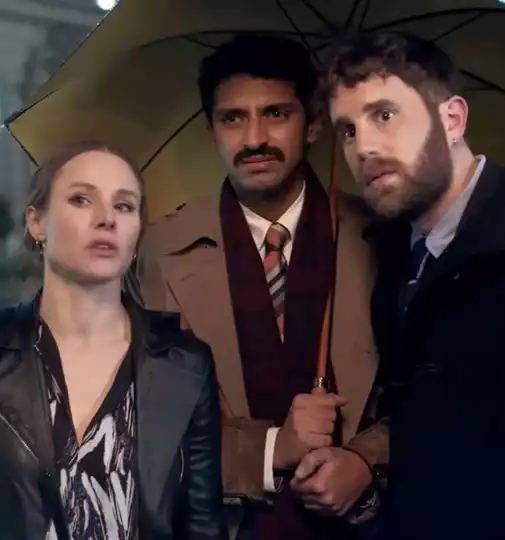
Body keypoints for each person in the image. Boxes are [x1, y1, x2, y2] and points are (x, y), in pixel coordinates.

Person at [138, 34, 386, 540]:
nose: (254, 139)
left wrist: (364, 460)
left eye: (275, 114)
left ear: (313, 123)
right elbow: (148, 422)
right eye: (233, 118)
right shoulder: (160, 252)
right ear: (211, 129)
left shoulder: (382, 235)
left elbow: (430, 392)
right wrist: (274, 448)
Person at [323, 31, 505, 540]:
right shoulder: (389, 254)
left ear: (453, 119)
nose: (363, 147)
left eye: (384, 115)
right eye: (347, 130)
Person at [0, 140, 226, 540]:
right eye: (81, 199)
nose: (106, 219)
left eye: (124, 206)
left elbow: (203, 525)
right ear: (36, 222)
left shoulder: (184, 363)